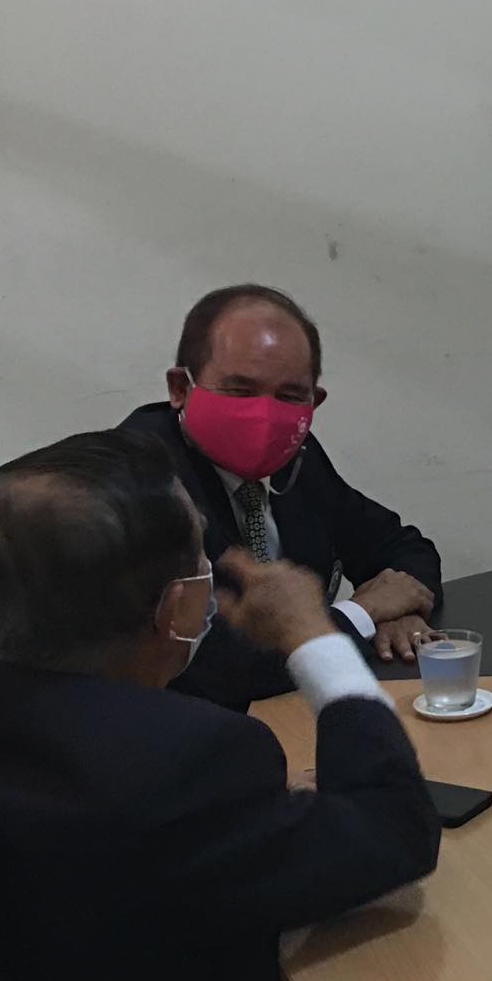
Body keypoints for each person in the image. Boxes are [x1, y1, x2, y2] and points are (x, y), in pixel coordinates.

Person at [0, 429, 440, 981]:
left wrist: (258, 822)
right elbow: (398, 828)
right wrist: (313, 635)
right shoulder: (191, 759)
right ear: (176, 608)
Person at [121, 283, 442, 709]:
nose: (265, 416)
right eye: (240, 390)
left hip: (297, 714)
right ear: (180, 387)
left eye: (290, 397)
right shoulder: (140, 483)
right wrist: (363, 614)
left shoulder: (297, 457)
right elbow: (220, 667)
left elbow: (403, 549)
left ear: (314, 402)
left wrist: (400, 612)